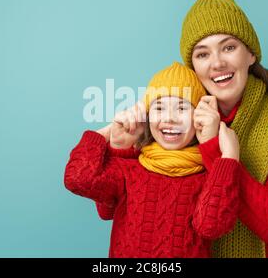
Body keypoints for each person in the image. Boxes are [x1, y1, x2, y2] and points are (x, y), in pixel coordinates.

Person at [97, 0, 268, 258]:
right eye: (202, 54)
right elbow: (111, 209)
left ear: (250, 54)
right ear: (192, 66)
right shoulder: (172, 115)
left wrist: (215, 149)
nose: (217, 63)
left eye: (229, 47)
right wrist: (120, 151)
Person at [65, 62, 241, 257]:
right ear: (146, 116)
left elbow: (211, 227)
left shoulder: (210, 176)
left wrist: (229, 158)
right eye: (159, 108)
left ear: (199, 117)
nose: (170, 119)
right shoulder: (129, 170)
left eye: (182, 108)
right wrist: (109, 133)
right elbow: (78, 179)